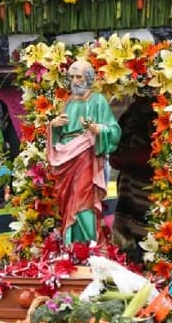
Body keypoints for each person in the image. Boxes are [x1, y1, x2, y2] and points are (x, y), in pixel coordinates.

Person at [48, 60, 121, 244]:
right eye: (72, 77)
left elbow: (113, 130)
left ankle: (89, 244)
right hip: (66, 158)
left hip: (86, 157)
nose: (75, 81)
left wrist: (97, 129)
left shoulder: (98, 100)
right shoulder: (68, 102)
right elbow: (59, 132)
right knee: (68, 201)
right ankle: (70, 244)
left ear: (88, 78)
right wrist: (54, 126)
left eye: (79, 77)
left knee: (83, 199)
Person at [109, 94, 156, 260]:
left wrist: (129, 158)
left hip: (152, 191)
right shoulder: (132, 114)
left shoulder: (160, 114)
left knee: (151, 248)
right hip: (129, 191)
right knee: (131, 249)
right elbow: (115, 153)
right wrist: (121, 157)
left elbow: (158, 156)